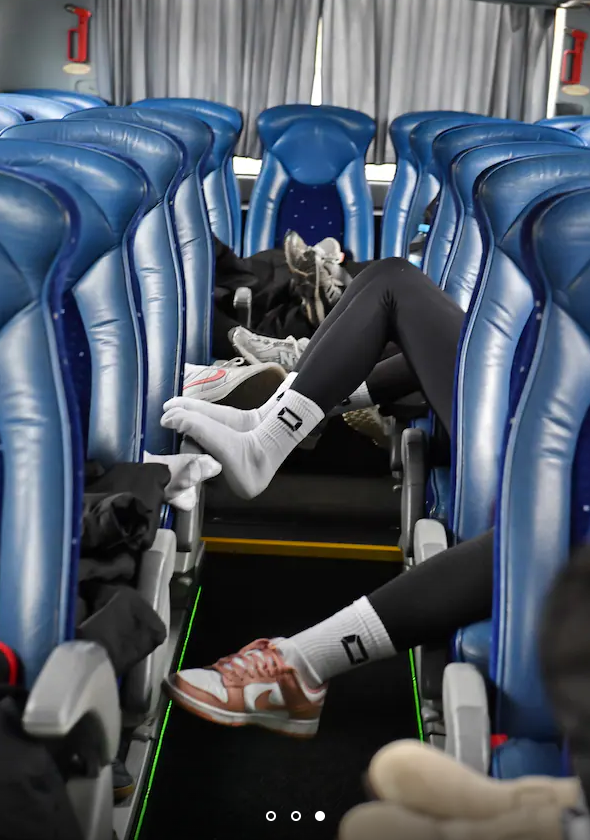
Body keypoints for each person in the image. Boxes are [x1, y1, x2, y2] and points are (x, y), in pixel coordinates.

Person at [159, 255, 497, 736]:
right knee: (388, 278)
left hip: (544, 459)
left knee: (395, 287)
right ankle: (269, 421)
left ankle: (298, 665)